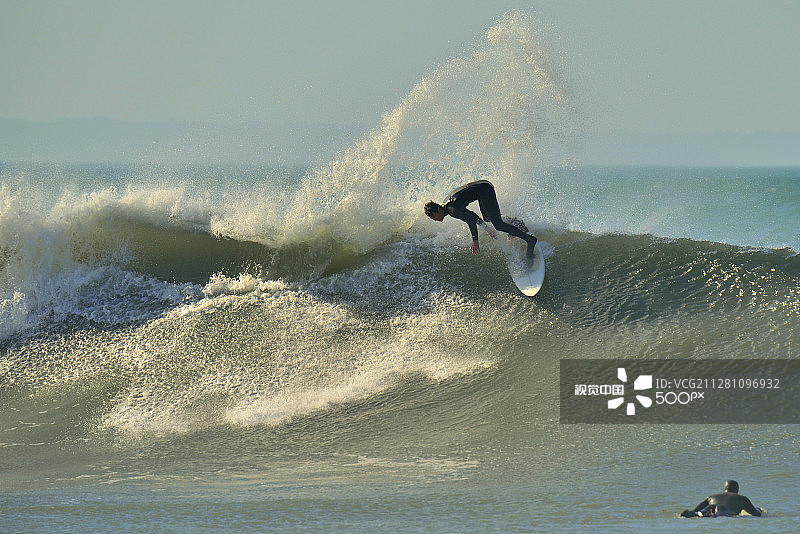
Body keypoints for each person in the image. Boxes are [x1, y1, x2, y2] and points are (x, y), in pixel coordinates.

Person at [424, 180, 538, 258]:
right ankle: (516, 223)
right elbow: (472, 215)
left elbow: (470, 222)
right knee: (488, 219)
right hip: (483, 188)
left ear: (438, 209)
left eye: (434, 217)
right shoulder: (450, 207)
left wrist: (475, 241)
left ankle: (530, 240)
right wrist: (487, 228)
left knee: (498, 225)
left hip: (485, 190)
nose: (435, 220)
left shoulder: (452, 209)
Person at [680, 480, 763, 517]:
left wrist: (693, 512)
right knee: (717, 514)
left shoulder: (711, 497)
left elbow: (695, 510)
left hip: (710, 507)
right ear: (737, 490)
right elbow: (756, 513)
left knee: (699, 513)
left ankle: (692, 514)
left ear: (724, 489)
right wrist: (759, 509)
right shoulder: (742, 498)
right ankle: (710, 515)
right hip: (724, 510)